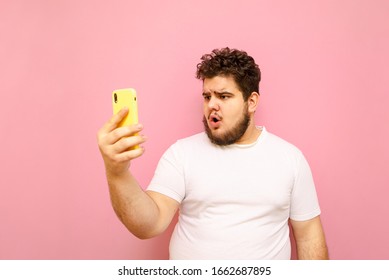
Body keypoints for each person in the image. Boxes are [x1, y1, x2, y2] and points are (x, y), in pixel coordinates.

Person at [97, 47, 328, 259]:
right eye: (207, 97)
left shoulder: (290, 159)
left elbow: (309, 236)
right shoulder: (182, 154)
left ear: (252, 101)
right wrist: (117, 172)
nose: (211, 105)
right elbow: (149, 224)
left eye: (224, 96)